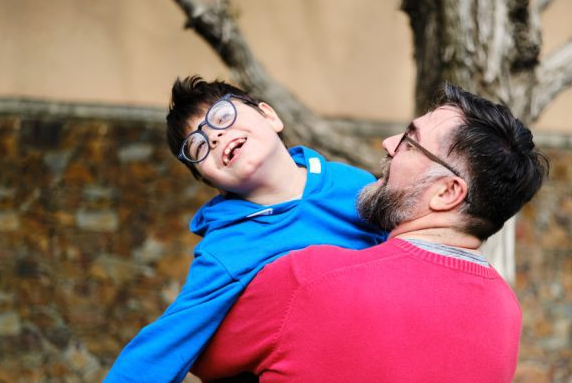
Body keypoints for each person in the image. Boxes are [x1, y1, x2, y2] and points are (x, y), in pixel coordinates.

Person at [191, 82, 549, 382]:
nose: (389, 143)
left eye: (410, 142)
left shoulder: (308, 278)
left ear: (446, 193)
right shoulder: (506, 314)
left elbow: (201, 355)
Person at [105, 76, 386, 382]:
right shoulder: (226, 248)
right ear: (211, 182)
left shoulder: (353, 184)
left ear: (270, 116)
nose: (214, 137)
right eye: (198, 145)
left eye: (223, 116)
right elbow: (164, 343)